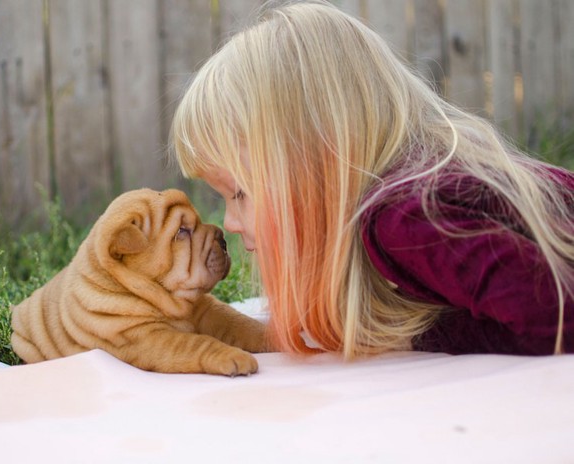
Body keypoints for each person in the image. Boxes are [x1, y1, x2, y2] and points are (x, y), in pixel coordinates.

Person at [169, 0, 574, 358]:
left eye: (239, 192)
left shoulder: (407, 218)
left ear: (316, 159)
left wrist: (418, 335)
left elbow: (558, 316)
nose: (229, 223)